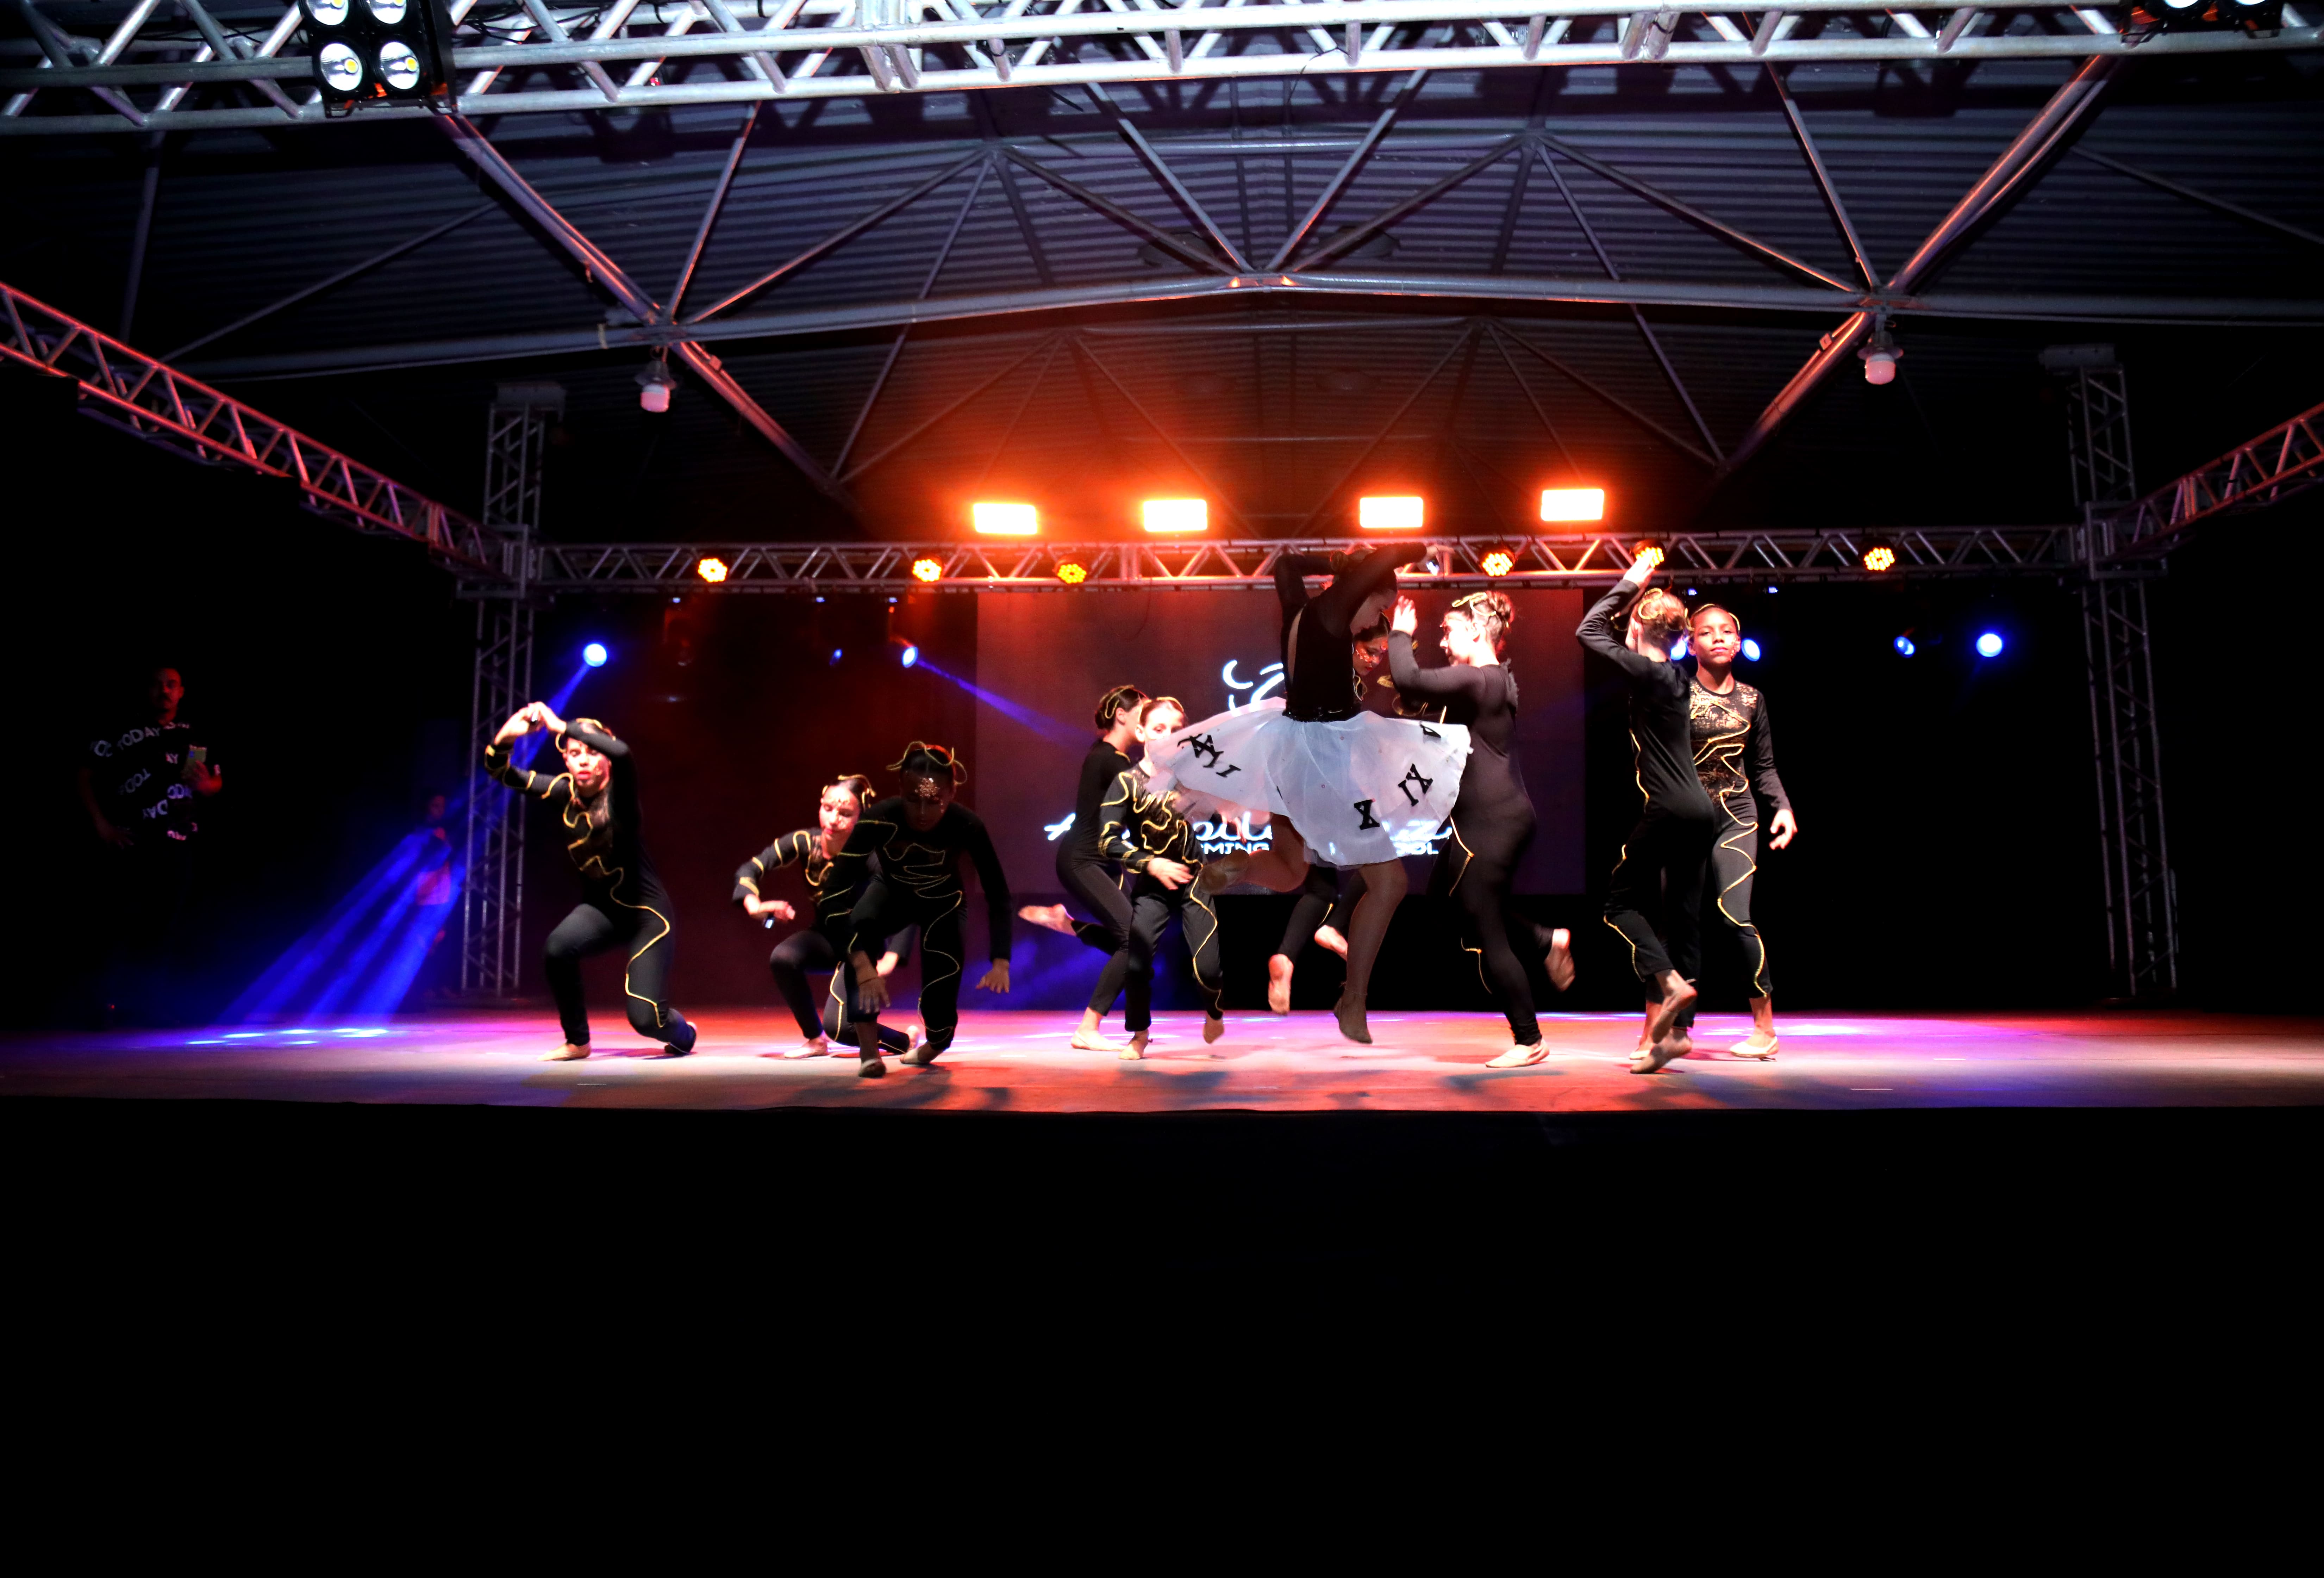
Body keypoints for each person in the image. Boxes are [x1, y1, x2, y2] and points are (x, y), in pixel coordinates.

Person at [1147, 544, 1470, 1044]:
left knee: (1290, 868)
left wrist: (1332, 562)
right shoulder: (1333, 612)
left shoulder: (1298, 611)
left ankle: (1241, 868)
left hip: (1286, 754)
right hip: (1323, 762)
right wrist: (1411, 550)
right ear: (1359, 591)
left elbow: (1285, 565)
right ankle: (1354, 1000)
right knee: (1389, 884)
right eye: (1378, 606)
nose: (1375, 620)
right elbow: (1369, 569)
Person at [1388, 591, 1575, 1067]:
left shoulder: (1482, 678)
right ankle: (1544, 939)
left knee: (1487, 927)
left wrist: (1401, 634)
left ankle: (1529, 1039)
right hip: (1483, 820)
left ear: (1475, 630)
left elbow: (1410, 678)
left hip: (1492, 822)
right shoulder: (1484, 684)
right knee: (1443, 904)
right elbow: (1417, 699)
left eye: (1448, 631)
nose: (1442, 641)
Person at [485, 703, 696, 1061]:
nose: (583, 760)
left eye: (592, 752)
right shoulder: (562, 792)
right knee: (557, 949)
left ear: (606, 760)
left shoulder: (621, 796)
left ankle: (685, 1034)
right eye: (574, 753)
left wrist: (559, 726)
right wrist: (507, 735)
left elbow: (624, 753)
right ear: (566, 761)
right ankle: (578, 1042)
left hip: (646, 915)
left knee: (646, 1019)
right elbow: (499, 770)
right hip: (601, 911)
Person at [1576, 553, 1715, 1075]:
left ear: (1637, 626)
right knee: (1684, 919)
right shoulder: (1678, 677)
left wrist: (1630, 584)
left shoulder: (1648, 672)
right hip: (1700, 811)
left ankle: (1670, 982)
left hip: (1670, 809)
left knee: (1618, 902)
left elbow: (1588, 630)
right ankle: (1678, 1035)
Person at [1663, 603, 1797, 1060]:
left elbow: (1764, 766)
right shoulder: (1676, 691)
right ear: (1691, 644)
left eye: (1726, 631)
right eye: (1706, 632)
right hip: (1686, 819)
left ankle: (1765, 1028)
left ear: (1739, 643)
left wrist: (1783, 807)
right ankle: (1677, 1030)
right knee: (1681, 923)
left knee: (1735, 916)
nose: (1718, 637)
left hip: (1736, 816)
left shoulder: (1753, 699)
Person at [838, 743, 1013, 1078]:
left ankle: (935, 1043)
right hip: (891, 892)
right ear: (900, 788)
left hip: (944, 900)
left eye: (934, 802)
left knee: (941, 993)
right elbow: (834, 893)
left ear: (951, 793)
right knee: (859, 930)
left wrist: (1001, 961)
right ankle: (869, 1051)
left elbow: (998, 893)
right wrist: (862, 966)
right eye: (912, 800)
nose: (921, 813)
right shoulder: (879, 818)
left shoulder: (967, 825)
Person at [76, 664, 222, 1024]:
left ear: (182, 692)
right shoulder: (120, 730)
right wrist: (102, 826)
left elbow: (214, 782)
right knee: (119, 926)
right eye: (158, 685)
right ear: (146, 690)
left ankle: (148, 1009)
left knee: (164, 928)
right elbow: (84, 775)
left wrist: (207, 786)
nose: (165, 691)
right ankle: (100, 1010)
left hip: (178, 844)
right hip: (132, 843)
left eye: (172, 685)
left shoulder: (193, 734)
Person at [1016, 685, 1158, 1051]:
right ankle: (1088, 1028)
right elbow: (1152, 800)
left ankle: (1070, 926)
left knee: (1139, 944)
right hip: (1083, 860)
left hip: (1101, 862)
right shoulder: (1110, 760)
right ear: (1122, 716)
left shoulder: (1110, 757)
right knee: (1134, 938)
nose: (1148, 719)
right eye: (1143, 712)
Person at [734, 774, 914, 1060]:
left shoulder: (871, 854)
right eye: (828, 809)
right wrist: (755, 906)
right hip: (826, 938)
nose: (833, 819)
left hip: (861, 945)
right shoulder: (805, 842)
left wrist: (891, 957)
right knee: (783, 958)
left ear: (861, 817)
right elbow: (750, 869)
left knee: (842, 1028)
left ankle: (904, 1041)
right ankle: (814, 1040)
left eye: (845, 814)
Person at [1102, 762, 1226, 1060]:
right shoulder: (1127, 782)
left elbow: (1221, 800)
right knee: (1137, 964)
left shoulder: (1188, 773)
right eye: (1159, 734)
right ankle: (1140, 1034)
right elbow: (1107, 840)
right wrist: (1150, 863)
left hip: (1194, 879)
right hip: (1153, 882)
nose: (1167, 739)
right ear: (1143, 737)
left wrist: (1230, 812)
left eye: (1173, 735)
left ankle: (1214, 1013)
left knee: (1208, 970)